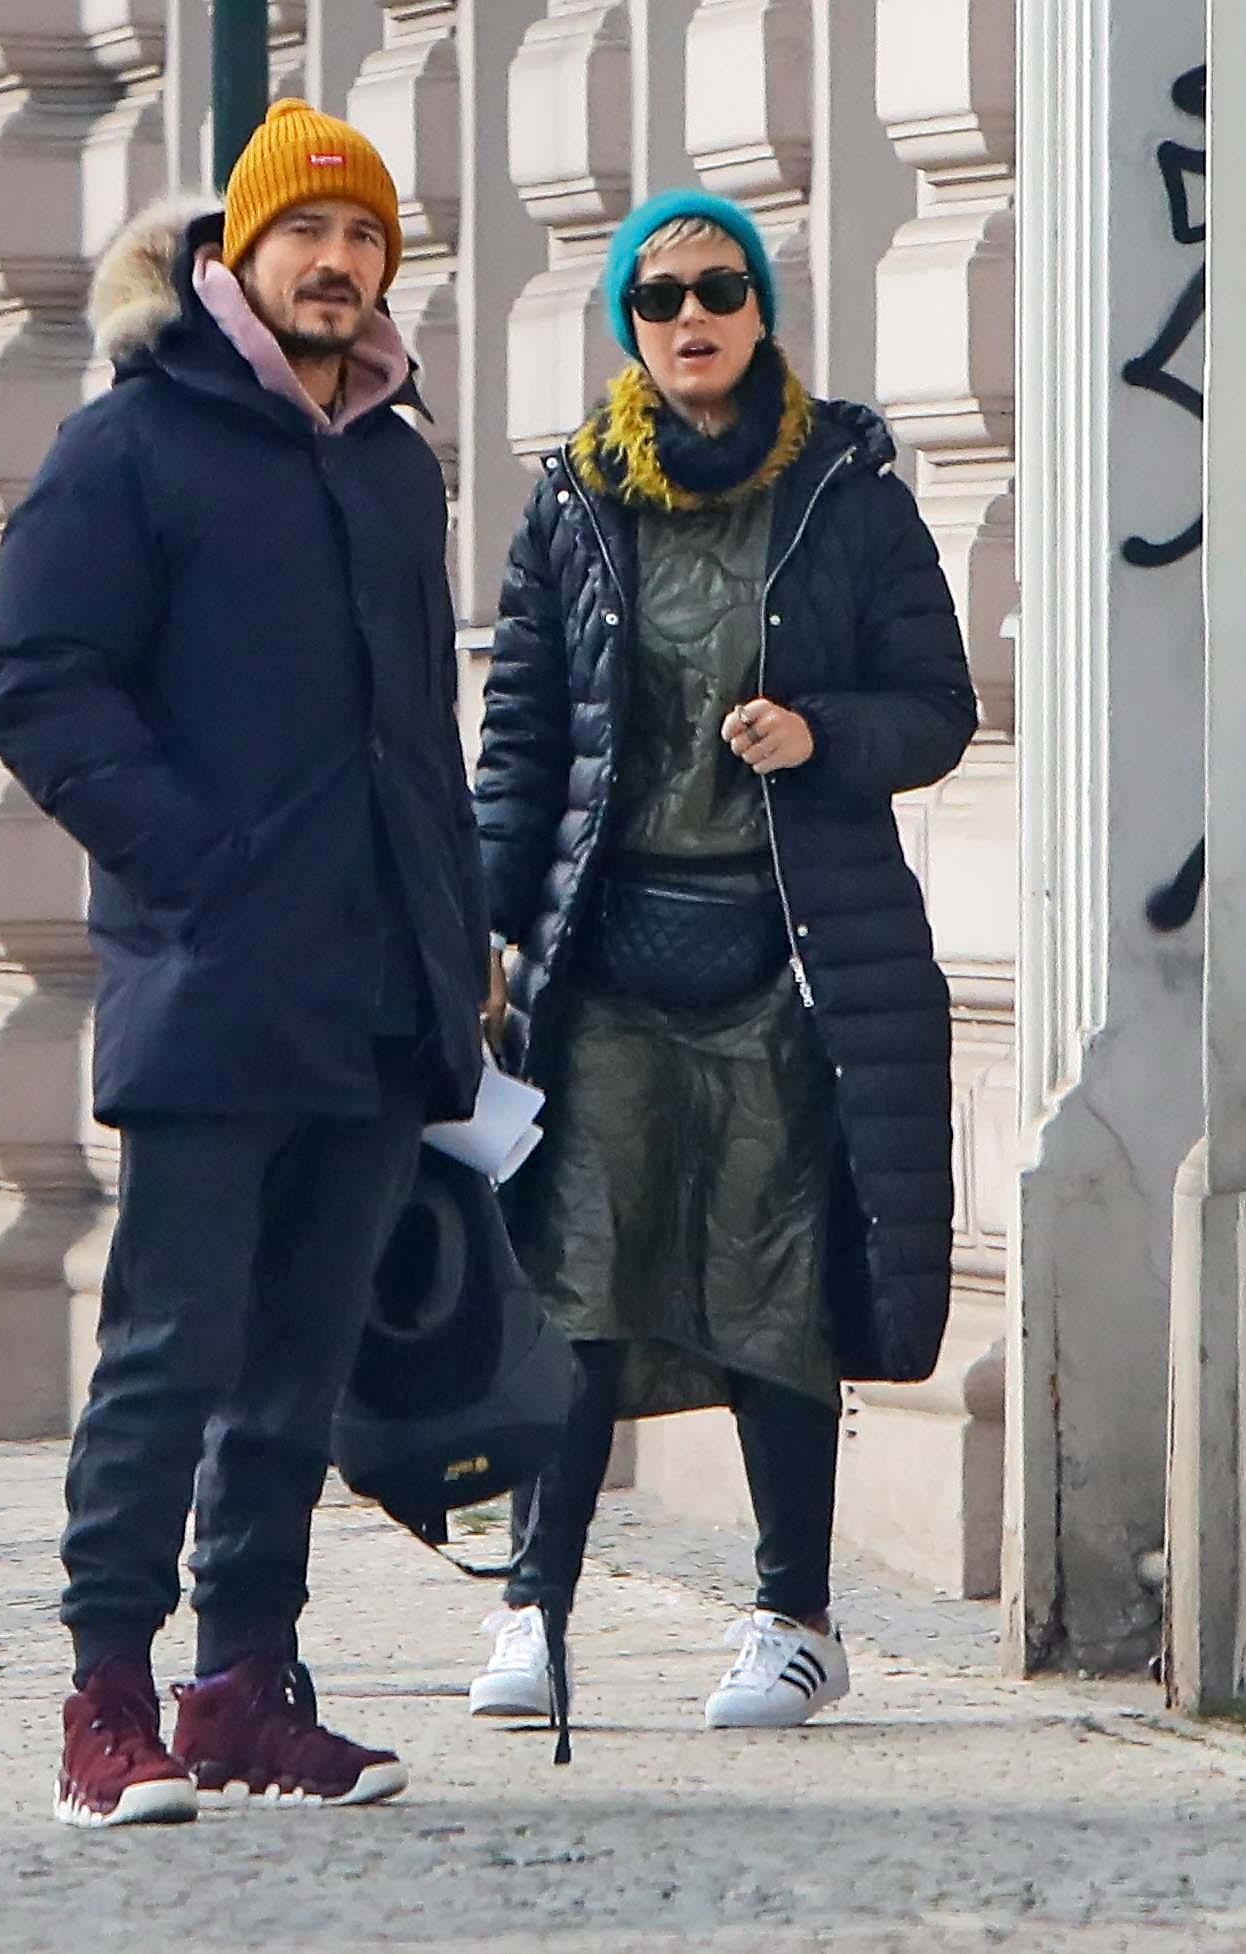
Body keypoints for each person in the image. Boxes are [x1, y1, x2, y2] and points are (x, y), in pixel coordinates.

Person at [0, 99, 486, 1827]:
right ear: (239, 256)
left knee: (296, 1372)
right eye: (304, 236)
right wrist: (196, 866)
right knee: (170, 1353)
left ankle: (242, 1688)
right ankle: (105, 1699)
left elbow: (421, 731)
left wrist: (458, 939)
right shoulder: (131, 445)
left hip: (377, 992)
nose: (335, 263)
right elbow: (38, 678)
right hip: (211, 983)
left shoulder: (395, 462)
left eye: (363, 239)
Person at [470, 188, 976, 1731]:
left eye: (717, 290)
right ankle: (533, 1606)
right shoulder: (573, 502)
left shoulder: (843, 493)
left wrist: (821, 734)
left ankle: (793, 1619)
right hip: (607, 962)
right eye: (659, 296)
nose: (689, 318)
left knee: (775, 1292)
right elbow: (522, 736)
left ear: (759, 310)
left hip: (784, 957)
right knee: (574, 1283)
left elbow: (938, 705)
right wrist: (485, 921)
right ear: (628, 325)